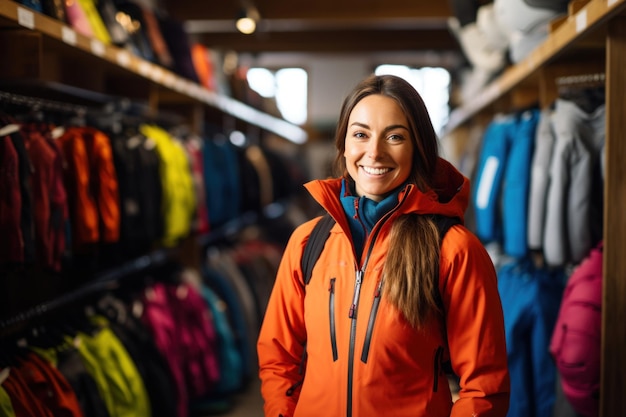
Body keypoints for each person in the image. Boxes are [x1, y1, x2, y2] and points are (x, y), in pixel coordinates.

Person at [257, 74, 510, 417]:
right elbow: (278, 359)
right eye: (360, 134)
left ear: (418, 147)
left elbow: (484, 385)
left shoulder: (454, 250)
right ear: (344, 145)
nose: (374, 152)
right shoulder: (306, 243)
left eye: (394, 137)